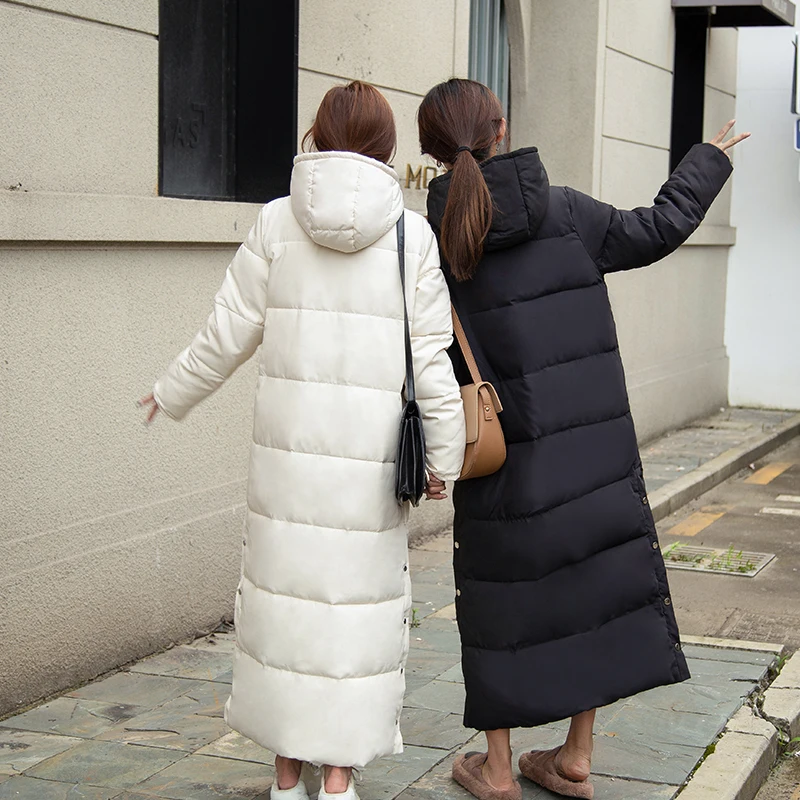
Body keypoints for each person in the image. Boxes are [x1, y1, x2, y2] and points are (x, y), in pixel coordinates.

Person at [417, 78, 749, 800]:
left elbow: (418, 351)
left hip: (497, 459)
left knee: (498, 602)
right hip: (592, 454)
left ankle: (497, 769)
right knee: (591, 589)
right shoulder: (564, 211)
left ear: (431, 150)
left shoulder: (432, 240)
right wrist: (706, 162)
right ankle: (574, 755)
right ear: (501, 130)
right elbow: (656, 228)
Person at [140, 80, 465, 800]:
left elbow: (227, 332)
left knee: (285, 609)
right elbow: (433, 361)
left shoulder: (277, 222)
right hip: (369, 472)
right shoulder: (412, 236)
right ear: (386, 148)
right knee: (352, 617)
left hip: (286, 469)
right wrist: (444, 458)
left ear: (316, 136)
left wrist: (171, 390)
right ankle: (340, 779)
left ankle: (287, 778)